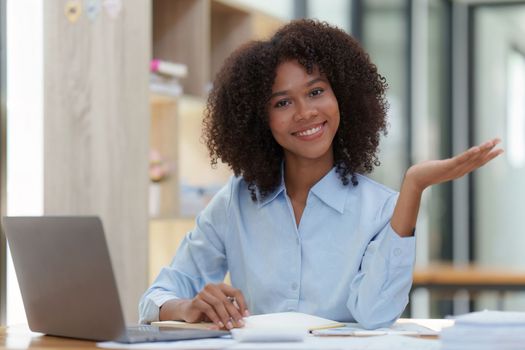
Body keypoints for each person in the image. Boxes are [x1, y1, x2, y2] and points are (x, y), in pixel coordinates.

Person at [139, 19, 502, 330]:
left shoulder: (380, 208)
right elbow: (154, 299)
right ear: (259, 119)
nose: (305, 112)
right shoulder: (235, 200)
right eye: (282, 102)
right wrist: (187, 308)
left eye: (316, 92)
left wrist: (414, 185)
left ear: (342, 96)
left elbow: (375, 314)